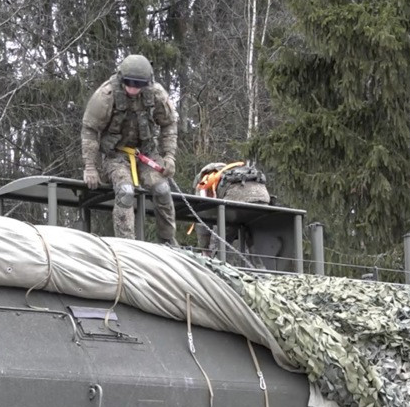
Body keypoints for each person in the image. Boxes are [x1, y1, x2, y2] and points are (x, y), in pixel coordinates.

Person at [81, 54, 179, 245]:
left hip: (147, 154)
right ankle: (127, 245)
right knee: (125, 191)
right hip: (115, 156)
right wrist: (90, 167)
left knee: (162, 189)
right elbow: (90, 129)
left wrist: (169, 156)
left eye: (138, 84)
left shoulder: (156, 94)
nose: (133, 88)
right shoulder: (106, 95)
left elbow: (169, 124)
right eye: (129, 83)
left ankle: (167, 241)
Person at [190, 160, 270, 257]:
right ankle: (260, 264)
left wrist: (205, 248)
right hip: (263, 201)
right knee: (254, 242)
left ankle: (214, 262)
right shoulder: (234, 173)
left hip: (236, 203)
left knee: (217, 248)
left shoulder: (205, 181)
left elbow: (202, 219)